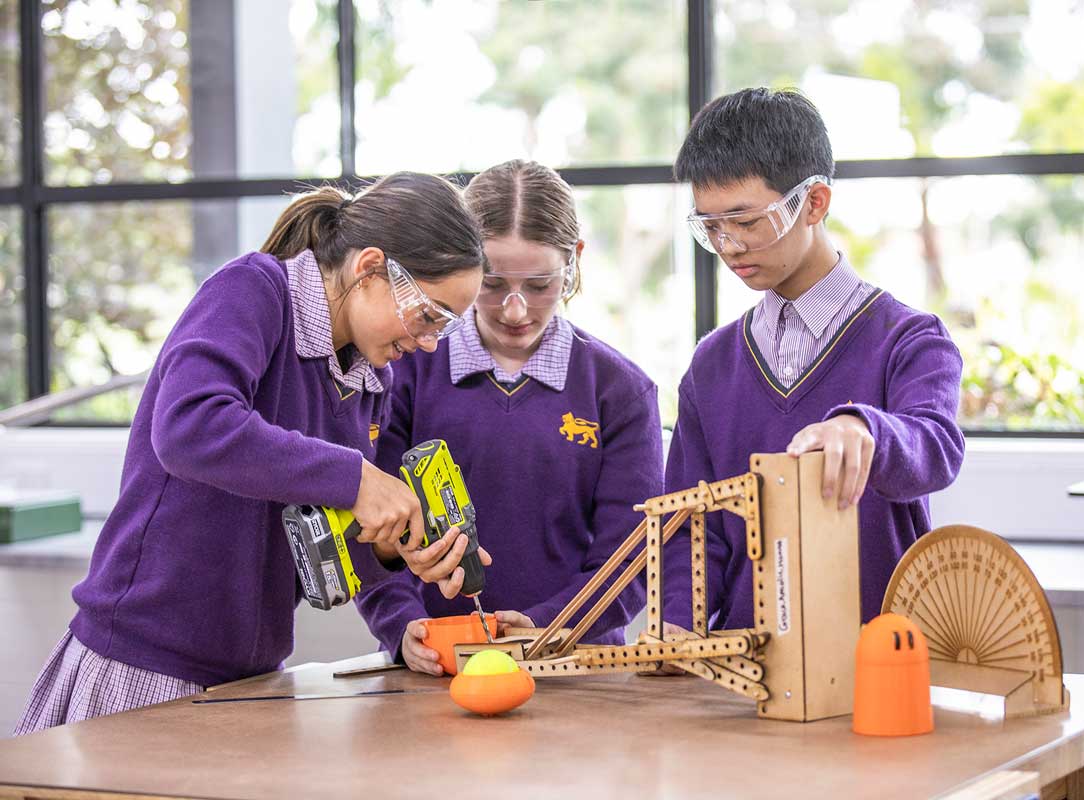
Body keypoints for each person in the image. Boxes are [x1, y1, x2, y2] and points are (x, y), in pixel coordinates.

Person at [14, 172, 490, 734]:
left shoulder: (366, 379)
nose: (430, 341)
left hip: (248, 676)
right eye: (428, 314)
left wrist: (391, 552)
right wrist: (358, 480)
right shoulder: (255, 290)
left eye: (446, 326)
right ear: (369, 269)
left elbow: (323, 516)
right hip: (146, 664)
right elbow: (189, 427)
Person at [661, 88, 965, 634]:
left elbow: (936, 447)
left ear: (814, 202)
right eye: (710, 227)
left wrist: (865, 427)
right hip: (745, 669)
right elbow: (690, 526)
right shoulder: (712, 366)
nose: (728, 245)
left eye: (745, 221)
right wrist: (677, 630)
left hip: (880, 659)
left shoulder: (910, 340)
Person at [355, 160, 662, 675]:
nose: (515, 311)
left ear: (575, 261)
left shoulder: (620, 391)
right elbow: (373, 532)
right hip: (434, 670)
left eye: (540, 285)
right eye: (492, 284)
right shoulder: (404, 370)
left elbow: (631, 559)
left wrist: (550, 626)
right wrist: (400, 625)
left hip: (576, 670)